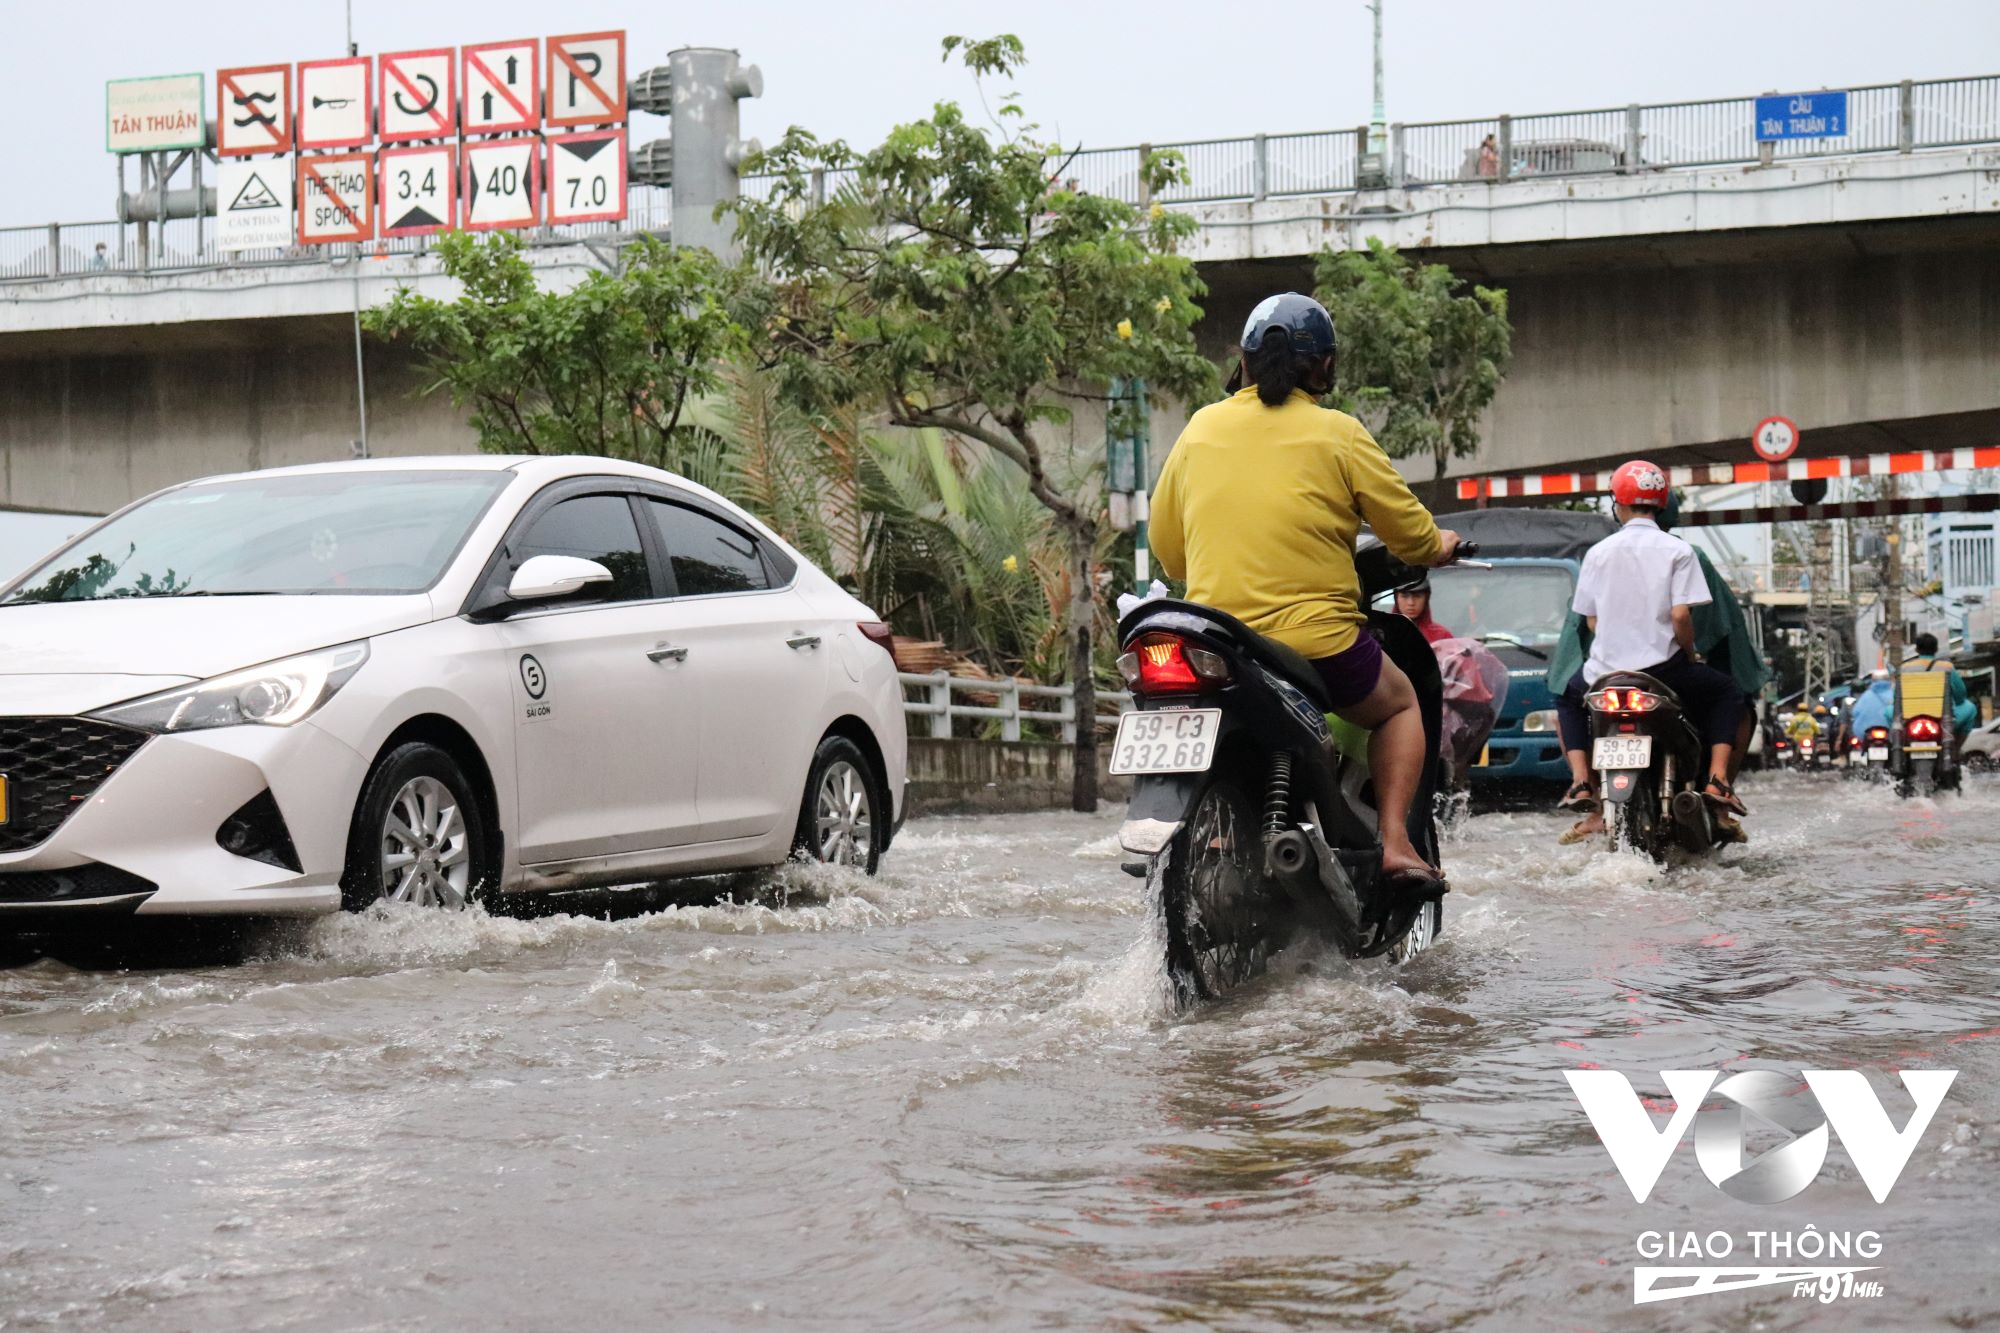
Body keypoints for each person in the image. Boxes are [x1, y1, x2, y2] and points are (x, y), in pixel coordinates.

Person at [1149, 292, 1461, 891]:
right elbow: (1412, 536)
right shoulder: (1339, 434)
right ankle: (1395, 845)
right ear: (1324, 367)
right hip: (1316, 644)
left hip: (1218, 641)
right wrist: (1440, 546)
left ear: (1242, 360)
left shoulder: (1199, 429)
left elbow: (1170, 550)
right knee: (1399, 706)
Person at [1550, 459, 1751, 841]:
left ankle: (1581, 784)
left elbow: (1590, 621)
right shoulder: (1678, 551)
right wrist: (1690, 654)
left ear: (1617, 504)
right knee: (1727, 691)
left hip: (1604, 676)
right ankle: (1718, 782)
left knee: (1566, 697)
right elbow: (1680, 616)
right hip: (1664, 673)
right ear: (1661, 504)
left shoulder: (1598, 553)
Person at [1906, 631, 1980, 742]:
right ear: (1936, 649)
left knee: (1888, 712)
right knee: (1970, 708)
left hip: (1909, 717)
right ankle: (1956, 749)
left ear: (1916, 649)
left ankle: (1898, 746)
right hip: (1942, 718)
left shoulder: (1905, 668)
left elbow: (1895, 696)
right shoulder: (1947, 667)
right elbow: (1961, 696)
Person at [1395, 573, 1454, 644]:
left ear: (1426, 599)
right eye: (1404, 596)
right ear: (1396, 598)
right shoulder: (1383, 633)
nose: (1411, 603)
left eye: (1417, 596)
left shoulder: (1442, 636)